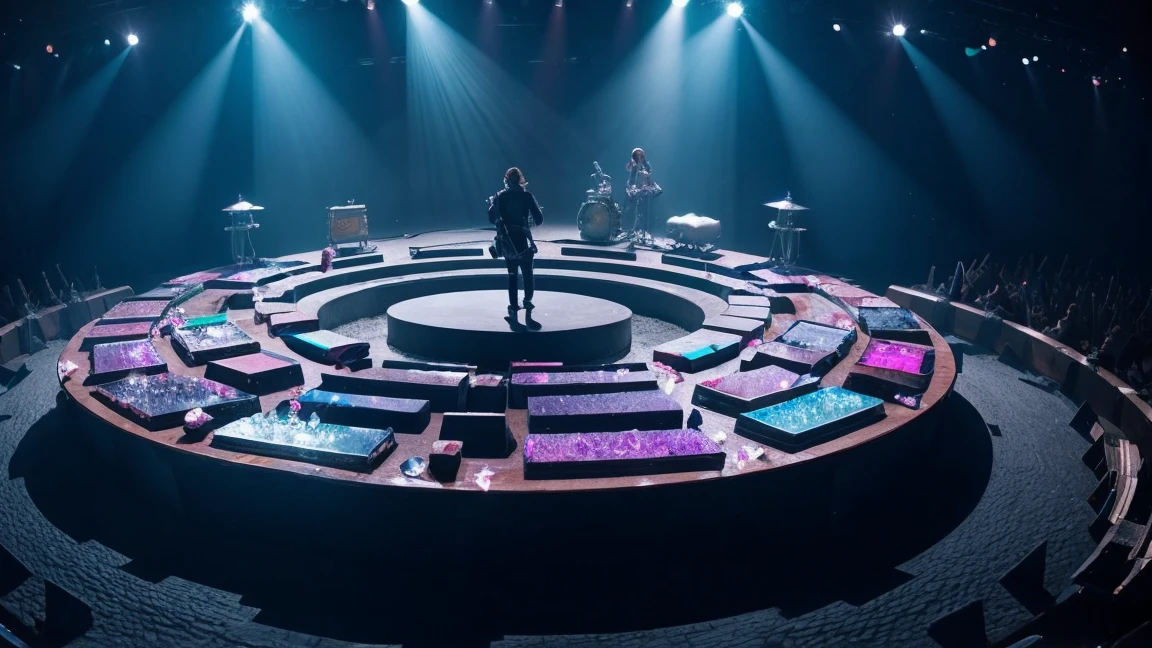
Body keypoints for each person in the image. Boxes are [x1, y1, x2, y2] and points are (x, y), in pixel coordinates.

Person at [488, 167, 544, 317]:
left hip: (507, 242)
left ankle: (513, 305)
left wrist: (493, 205)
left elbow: (492, 219)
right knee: (527, 272)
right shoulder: (527, 196)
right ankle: (527, 300)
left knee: (512, 274)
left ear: (506, 180)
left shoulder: (500, 197)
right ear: (520, 180)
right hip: (523, 241)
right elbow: (539, 220)